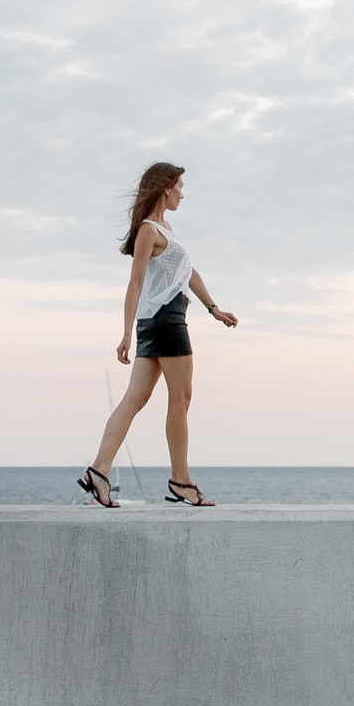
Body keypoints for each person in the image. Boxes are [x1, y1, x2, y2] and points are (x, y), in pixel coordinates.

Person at [78, 161, 238, 508]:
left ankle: (98, 471)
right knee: (181, 399)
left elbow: (189, 273)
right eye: (180, 186)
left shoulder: (166, 229)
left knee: (134, 399)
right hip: (167, 322)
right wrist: (125, 334)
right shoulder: (149, 231)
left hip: (156, 323)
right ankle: (181, 480)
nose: (183, 193)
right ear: (166, 188)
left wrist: (214, 309)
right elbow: (135, 283)